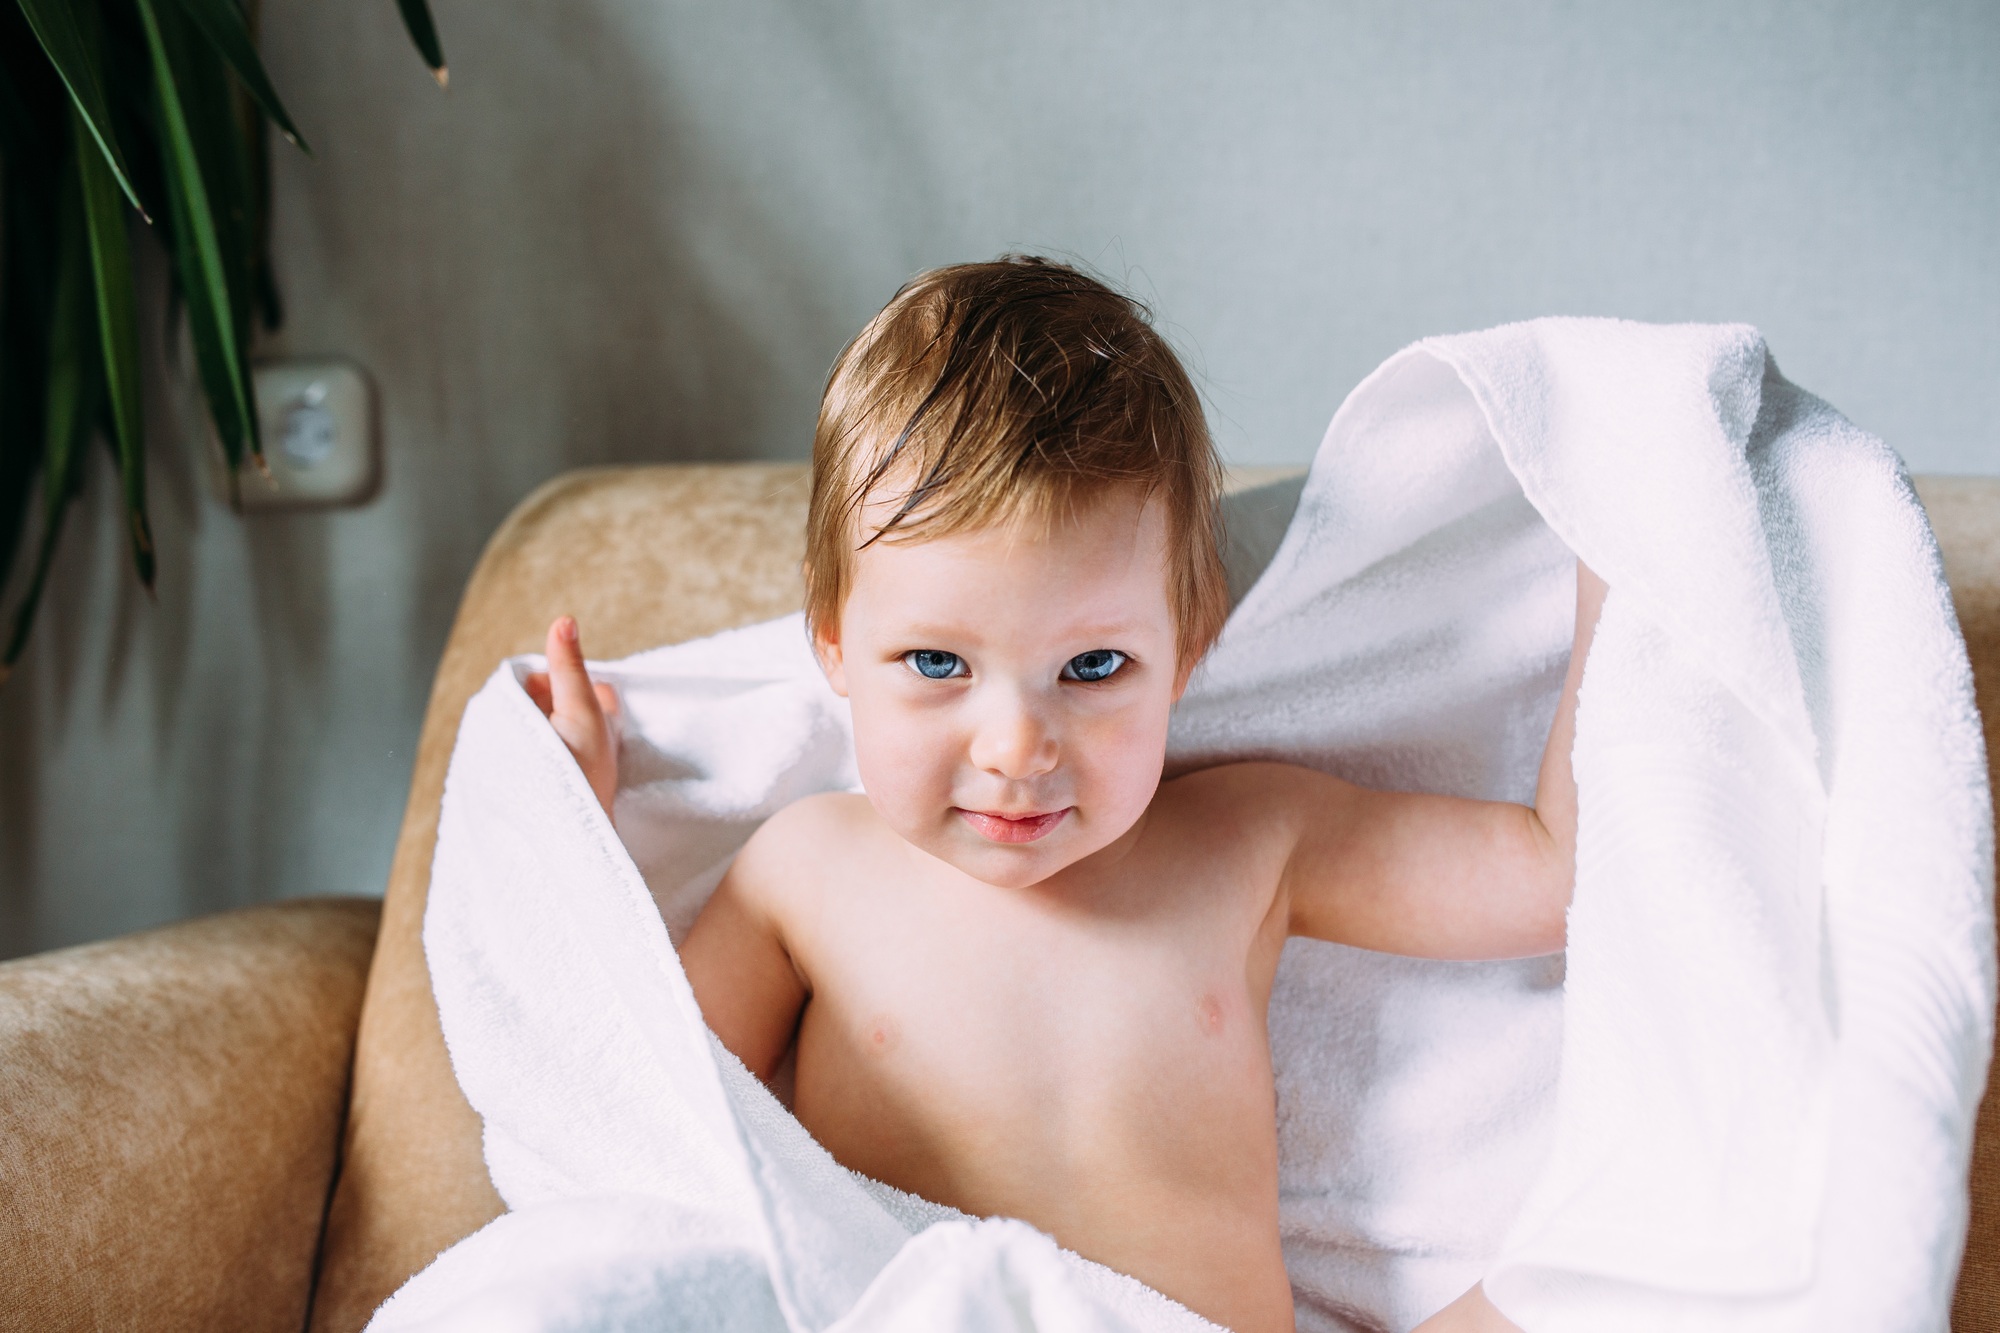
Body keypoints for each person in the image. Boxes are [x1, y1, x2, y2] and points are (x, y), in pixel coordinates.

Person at [526, 257, 1605, 1333]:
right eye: (935, 664)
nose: (1014, 748)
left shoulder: (1246, 841)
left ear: (1183, 650)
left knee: (1586, 1282)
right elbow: (644, 1119)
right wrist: (565, 828)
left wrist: (1621, 557)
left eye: (1091, 669)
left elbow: (1552, 872)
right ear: (835, 648)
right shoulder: (804, 873)